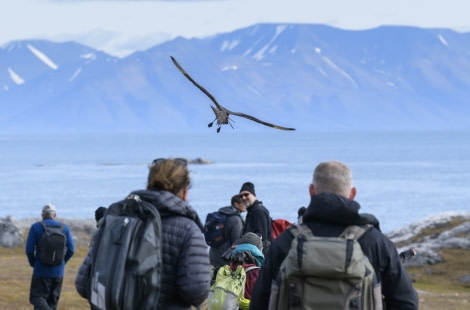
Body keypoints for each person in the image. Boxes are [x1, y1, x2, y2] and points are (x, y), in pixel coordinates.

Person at [250, 160, 419, 310]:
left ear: (311, 191)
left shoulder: (286, 241)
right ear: (353, 193)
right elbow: (406, 303)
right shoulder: (374, 242)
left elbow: (259, 302)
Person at [76, 157, 210, 309]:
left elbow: (82, 283)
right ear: (185, 191)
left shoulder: (117, 221)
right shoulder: (188, 229)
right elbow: (195, 291)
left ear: (148, 185)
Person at [25, 203, 75, 310]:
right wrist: (62, 262)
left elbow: (29, 250)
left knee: (37, 298)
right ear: (54, 215)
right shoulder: (64, 228)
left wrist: (34, 263)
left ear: (42, 215)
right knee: (52, 303)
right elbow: (71, 249)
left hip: (40, 271)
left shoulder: (36, 227)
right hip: (58, 273)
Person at [209, 194, 246, 269]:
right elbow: (237, 241)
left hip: (213, 254)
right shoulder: (236, 219)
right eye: (243, 203)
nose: (246, 205)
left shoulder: (222, 213)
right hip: (225, 257)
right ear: (236, 204)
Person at [239, 182, 272, 255]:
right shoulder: (251, 211)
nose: (243, 198)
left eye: (246, 194)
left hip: (261, 254)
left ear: (254, 195)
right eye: (241, 196)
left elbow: (261, 236)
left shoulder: (259, 211)